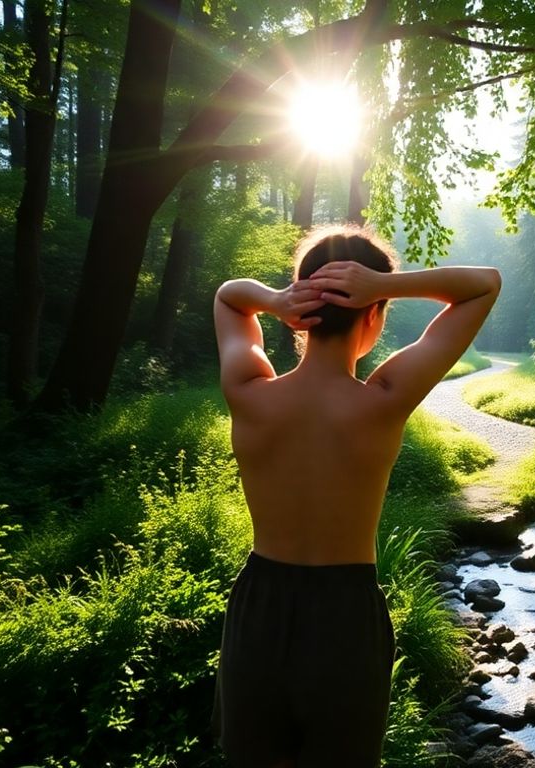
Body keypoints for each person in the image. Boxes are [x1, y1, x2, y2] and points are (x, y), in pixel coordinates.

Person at [210, 225, 501, 768]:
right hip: (345, 614)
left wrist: (275, 301)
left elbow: (229, 296)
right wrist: (381, 285)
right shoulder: (383, 400)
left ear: (301, 314)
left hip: (259, 607)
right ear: (374, 313)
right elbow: (483, 285)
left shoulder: (249, 392)